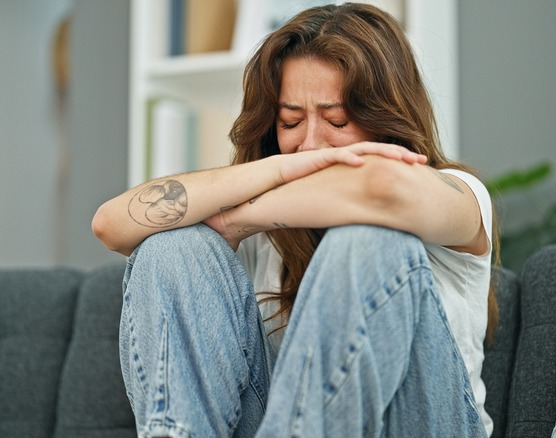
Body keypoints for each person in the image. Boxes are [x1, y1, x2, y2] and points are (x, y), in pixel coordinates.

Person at [92, 3, 498, 437]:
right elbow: (112, 224)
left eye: (337, 120)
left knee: (371, 243)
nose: (312, 144)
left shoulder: (457, 194)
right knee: (176, 247)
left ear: (385, 119)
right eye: (290, 121)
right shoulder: (272, 213)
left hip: (423, 423)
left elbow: (384, 188)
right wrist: (277, 169)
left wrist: (239, 220)